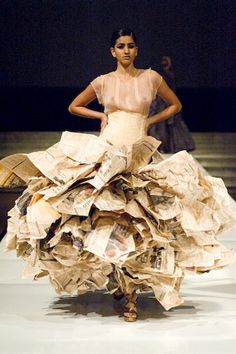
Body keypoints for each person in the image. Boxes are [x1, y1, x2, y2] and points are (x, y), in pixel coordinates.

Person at [1, 29, 235, 323]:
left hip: (139, 154)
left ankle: (132, 293)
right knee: (107, 218)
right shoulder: (103, 81)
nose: (126, 51)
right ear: (112, 51)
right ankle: (119, 280)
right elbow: (74, 105)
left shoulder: (151, 78)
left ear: (137, 50)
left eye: (131, 46)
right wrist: (101, 116)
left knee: (139, 222)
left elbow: (176, 104)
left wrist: (149, 119)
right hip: (109, 152)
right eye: (121, 46)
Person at [148, 55, 196, 153]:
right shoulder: (164, 74)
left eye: (165, 61)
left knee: (167, 124)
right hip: (161, 101)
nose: (164, 63)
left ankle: (166, 147)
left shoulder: (168, 74)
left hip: (165, 101)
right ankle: (162, 147)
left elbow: (171, 89)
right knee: (161, 125)